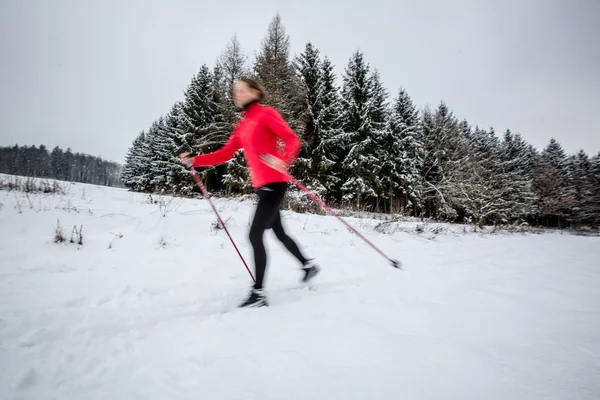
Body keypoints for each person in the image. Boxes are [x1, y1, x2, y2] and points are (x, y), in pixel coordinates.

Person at [179, 78, 320, 308]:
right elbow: (224, 153)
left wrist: (282, 159)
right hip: (262, 188)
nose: (237, 95)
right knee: (279, 233)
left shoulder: (266, 113)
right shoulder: (242, 125)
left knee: (254, 235)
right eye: (235, 92)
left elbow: (292, 139)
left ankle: (259, 293)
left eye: (242, 90)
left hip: (275, 183)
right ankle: (308, 265)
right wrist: (195, 160)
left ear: (255, 92)